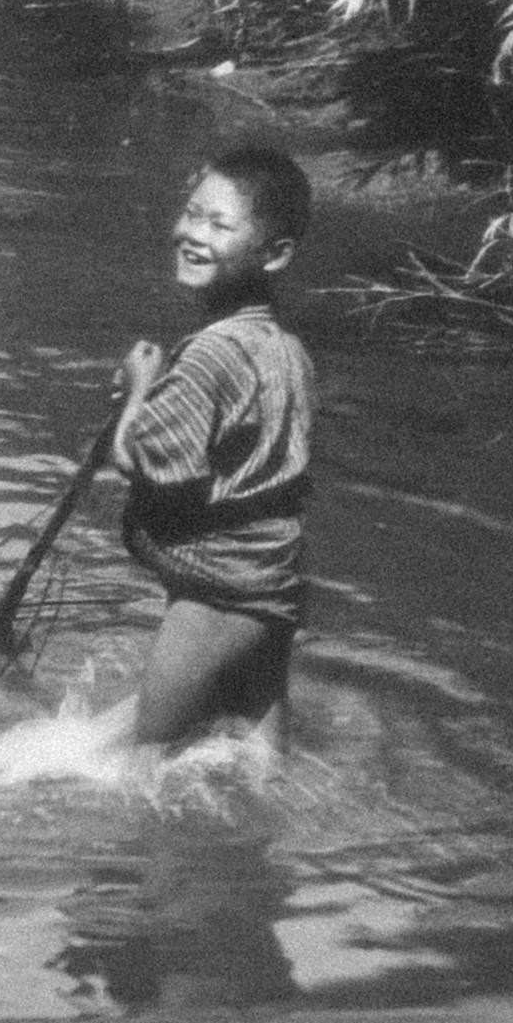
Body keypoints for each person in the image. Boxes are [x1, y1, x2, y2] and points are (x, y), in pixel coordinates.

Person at [114, 144, 316, 753]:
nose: (192, 234)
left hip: (215, 595)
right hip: (273, 583)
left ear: (275, 254)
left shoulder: (209, 355)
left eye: (219, 225)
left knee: (139, 773)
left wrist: (139, 388)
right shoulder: (286, 348)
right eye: (191, 213)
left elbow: (144, 460)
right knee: (262, 771)